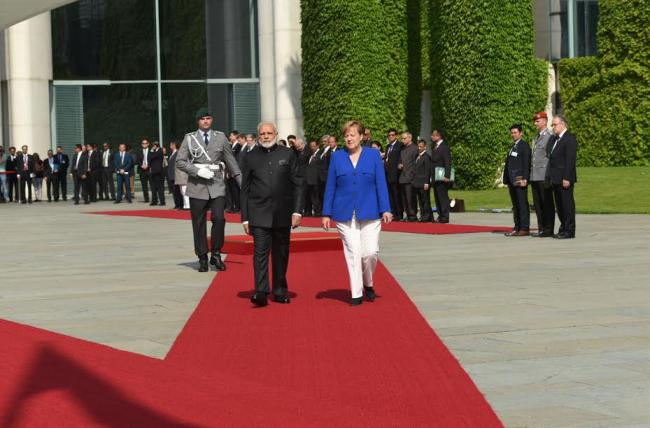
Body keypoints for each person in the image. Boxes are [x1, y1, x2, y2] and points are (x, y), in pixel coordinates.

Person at [322, 121, 393, 306]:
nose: (349, 138)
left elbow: (381, 183)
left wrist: (386, 208)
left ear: (361, 137)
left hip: (370, 210)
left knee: (370, 253)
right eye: (346, 135)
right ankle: (356, 293)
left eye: (352, 135)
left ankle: (368, 282)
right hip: (344, 212)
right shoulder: (337, 157)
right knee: (353, 252)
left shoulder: (373, 155)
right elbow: (330, 186)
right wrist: (326, 213)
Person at [240, 122, 303, 307]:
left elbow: (298, 184)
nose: (266, 136)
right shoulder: (250, 156)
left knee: (281, 253)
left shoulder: (288, 154)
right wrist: (245, 218)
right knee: (260, 253)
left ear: (276, 134)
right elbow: (245, 188)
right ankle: (261, 291)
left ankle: (280, 290)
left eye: (269, 133)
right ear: (258, 135)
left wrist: (297, 211)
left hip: (283, 212)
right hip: (258, 212)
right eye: (262, 134)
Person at [176, 108, 242, 272]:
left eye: (208, 118)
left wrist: (241, 182)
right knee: (198, 224)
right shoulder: (189, 138)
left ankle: (216, 253)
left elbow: (230, 160)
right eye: (202, 119)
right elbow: (180, 161)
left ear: (211, 120)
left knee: (219, 219)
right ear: (198, 121)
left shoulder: (220, 137)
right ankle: (202, 257)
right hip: (197, 185)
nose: (205, 121)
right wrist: (196, 171)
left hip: (216, 184)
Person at [547, 114, 578, 239]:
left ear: (563, 124)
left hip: (564, 178)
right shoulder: (555, 139)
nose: (553, 127)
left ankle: (569, 230)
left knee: (567, 205)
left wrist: (567, 178)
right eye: (552, 125)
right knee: (559, 205)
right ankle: (563, 228)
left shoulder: (569, 138)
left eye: (555, 124)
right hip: (555, 178)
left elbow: (570, 160)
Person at [503, 124, 531, 236]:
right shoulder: (513, 147)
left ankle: (524, 228)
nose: (513, 135)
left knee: (522, 204)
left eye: (515, 132)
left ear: (521, 133)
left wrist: (525, 179)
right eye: (512, 133)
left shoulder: (524, 146)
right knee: (515, 205)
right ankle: (517, 227)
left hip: (520, 180)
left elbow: (526, 164)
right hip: (512, 181)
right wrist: (507, 179)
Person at [530, 112, 555, 237]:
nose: (535, 123)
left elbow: (551, 157)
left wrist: (549, 175)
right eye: (535, 121)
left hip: (544, 175)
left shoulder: (549, 136)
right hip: (535, 175)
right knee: (538, 204)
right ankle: (541, 228)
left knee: (546, 204)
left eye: (537, 121)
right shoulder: (536, 137)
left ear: (545, 121)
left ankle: (548, 229)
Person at [430, 128, 452, 223]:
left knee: (442, 197)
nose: (432, 137)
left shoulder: (444, 147)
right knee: (437, 197)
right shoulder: (435, 147)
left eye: (433, 135)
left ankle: (445, 216)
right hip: (435, 176)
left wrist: (447, 175)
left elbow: (447, 162)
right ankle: (440, 215)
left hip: (442, 176)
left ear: (438, 136)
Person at [397, 131, 418, 222]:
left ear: (410, 138)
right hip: (402, 177)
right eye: (402, 138)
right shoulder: (402, 149)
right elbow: (399, 160)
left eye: (404, 138)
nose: (402, 140)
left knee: (410, 199)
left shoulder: (415, 148)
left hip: (410, 178)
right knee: (404, 199)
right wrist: (399, 164)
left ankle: (413, 216)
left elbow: (416, 164)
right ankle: (408, 215)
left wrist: (413, 176)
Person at [384, 128, 403, 220]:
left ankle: (399, 214)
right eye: (389, 135)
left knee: (396, 195)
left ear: (396, 136)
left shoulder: (400, 145)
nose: (391, 137)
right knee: (390, 195)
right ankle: (392, 213)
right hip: (388, 174)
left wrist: (400, 163)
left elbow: (401, 157)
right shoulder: (388, 146)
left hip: (395, 174)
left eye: (392, 135)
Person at [413, 140, 433, 222]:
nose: (419, 148)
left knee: (425, 200)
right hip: (417, 182)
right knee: (420, 201)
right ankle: (423, 215)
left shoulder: (426, 157)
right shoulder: (417, 156)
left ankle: (426, 217)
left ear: (425, 147)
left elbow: (427, 170)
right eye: (418, 146)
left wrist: (427, 182)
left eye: (421, 146)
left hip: (424, 182)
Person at [305, 139, 322, 216]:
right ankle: (315, 211)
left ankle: (318, 211)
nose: (312, 148)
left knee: (317, 196)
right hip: (310, 180)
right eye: (311, 146)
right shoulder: (311, 155)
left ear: (317, 146)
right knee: (312, 197)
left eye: (314, 146)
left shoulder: (320, 154)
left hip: (317, 180)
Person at [167, 141, 183, 209]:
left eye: (171, 145)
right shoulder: (172, 153)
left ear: (174, 145)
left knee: (177, 191)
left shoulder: (177, 153)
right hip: (171, 174)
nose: (170, 146)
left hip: (175, 175)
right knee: (174, 191)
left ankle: (180, 204)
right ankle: (176, 204)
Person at [149, 141, 165, 206]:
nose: (153, 147)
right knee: (153, 187)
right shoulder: (154, 151)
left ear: (156, 145)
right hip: (153, 171)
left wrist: (151, 151)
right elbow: (149, 158)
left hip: (158, 172)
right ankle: (154, 201)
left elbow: (152, 156)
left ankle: (162, 201)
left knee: (159, 187)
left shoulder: (160, 151)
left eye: (154, 145)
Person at [138, 138, 152, 203]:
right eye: (143, 143)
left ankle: (155, 198)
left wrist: (148, 165)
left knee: (152, 185)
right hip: (142, 170)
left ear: (148, 144)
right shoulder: (139, 151)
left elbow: (152, 160)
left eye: (145, 143)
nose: (144, 144)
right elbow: (138, 160)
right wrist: (142, 165)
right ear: (141, 144)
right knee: (144, 185)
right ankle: (146, 199)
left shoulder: (151, 151)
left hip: (149, 170)